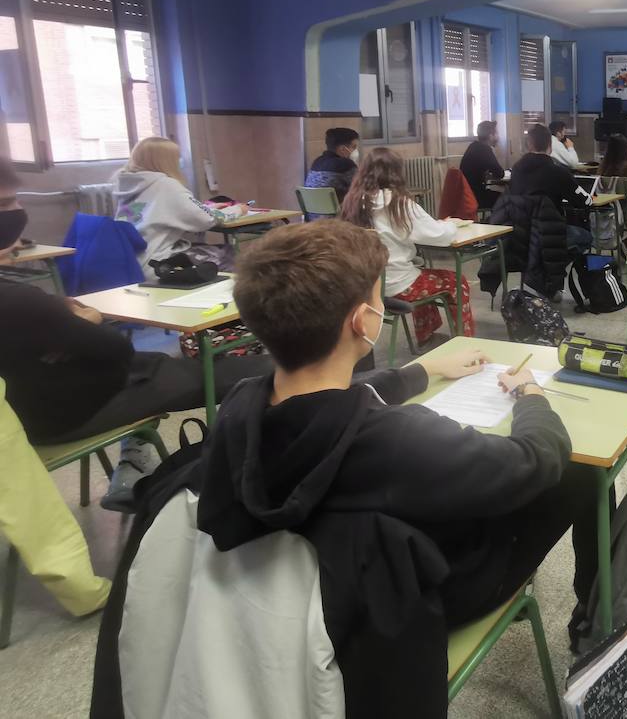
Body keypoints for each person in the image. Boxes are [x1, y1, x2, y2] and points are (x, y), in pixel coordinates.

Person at [192, 220, 601, 703]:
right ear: (363, 321)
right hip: (406, 600)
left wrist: (419, 371)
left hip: (289, 597)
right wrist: (531, 396)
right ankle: (594, 627)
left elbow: (332, 403)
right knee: (580, 469)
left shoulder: (241, 404)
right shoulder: (394, 439)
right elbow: (533, 459)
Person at [0, 169, 269, 510]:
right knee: (230, 375)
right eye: (7, 202)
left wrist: (62, 329)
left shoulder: (22, 303)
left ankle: (134, 460)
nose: (17, 211)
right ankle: (221, 472)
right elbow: (118, 351)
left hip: (27, 415)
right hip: (67, 414)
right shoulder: (19, 302)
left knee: (165, 367)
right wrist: (88, 320)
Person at [340, 148, 475, 346]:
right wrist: (450, 224)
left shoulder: (352, 202)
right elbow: (439, 235)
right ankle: (466, 342)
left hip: (367, 284)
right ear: (396, 173)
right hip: (398, 284)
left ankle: (427, 335)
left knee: (420, 273)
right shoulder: (399, 204)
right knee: (456, 282)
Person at [113, 136, 242, 276]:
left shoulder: (128, 185)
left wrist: (209, 208)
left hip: (129, 263)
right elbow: (206, 220)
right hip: (157, 263)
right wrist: (237, 209)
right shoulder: (167, 185)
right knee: (228, 253)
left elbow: (164, 213)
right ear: (165, 161)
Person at [508, 124, 592, 253]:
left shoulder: (516, 170)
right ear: (550, 146)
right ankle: (557, 267)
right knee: (586, 237)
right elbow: (583, 201)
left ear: (528, 145)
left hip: (520, 233)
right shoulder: (558, 172)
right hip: (550, 232)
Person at [459, 120, 504, 209]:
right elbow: (500, 173)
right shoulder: (485, 150)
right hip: (476, 197)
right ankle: (496, 222)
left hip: (466, 195)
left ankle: (491, 221)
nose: (498, 137)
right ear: (491, 136)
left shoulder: (473, 146)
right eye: (497, 134)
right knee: (506, 198)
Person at [303, 126, 360, 197]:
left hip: (313, 207)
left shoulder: (317, 162)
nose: (356, 150)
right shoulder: (347, 165)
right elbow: (361, 188)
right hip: (338, 207)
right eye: (354, 147)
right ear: (342, 149)